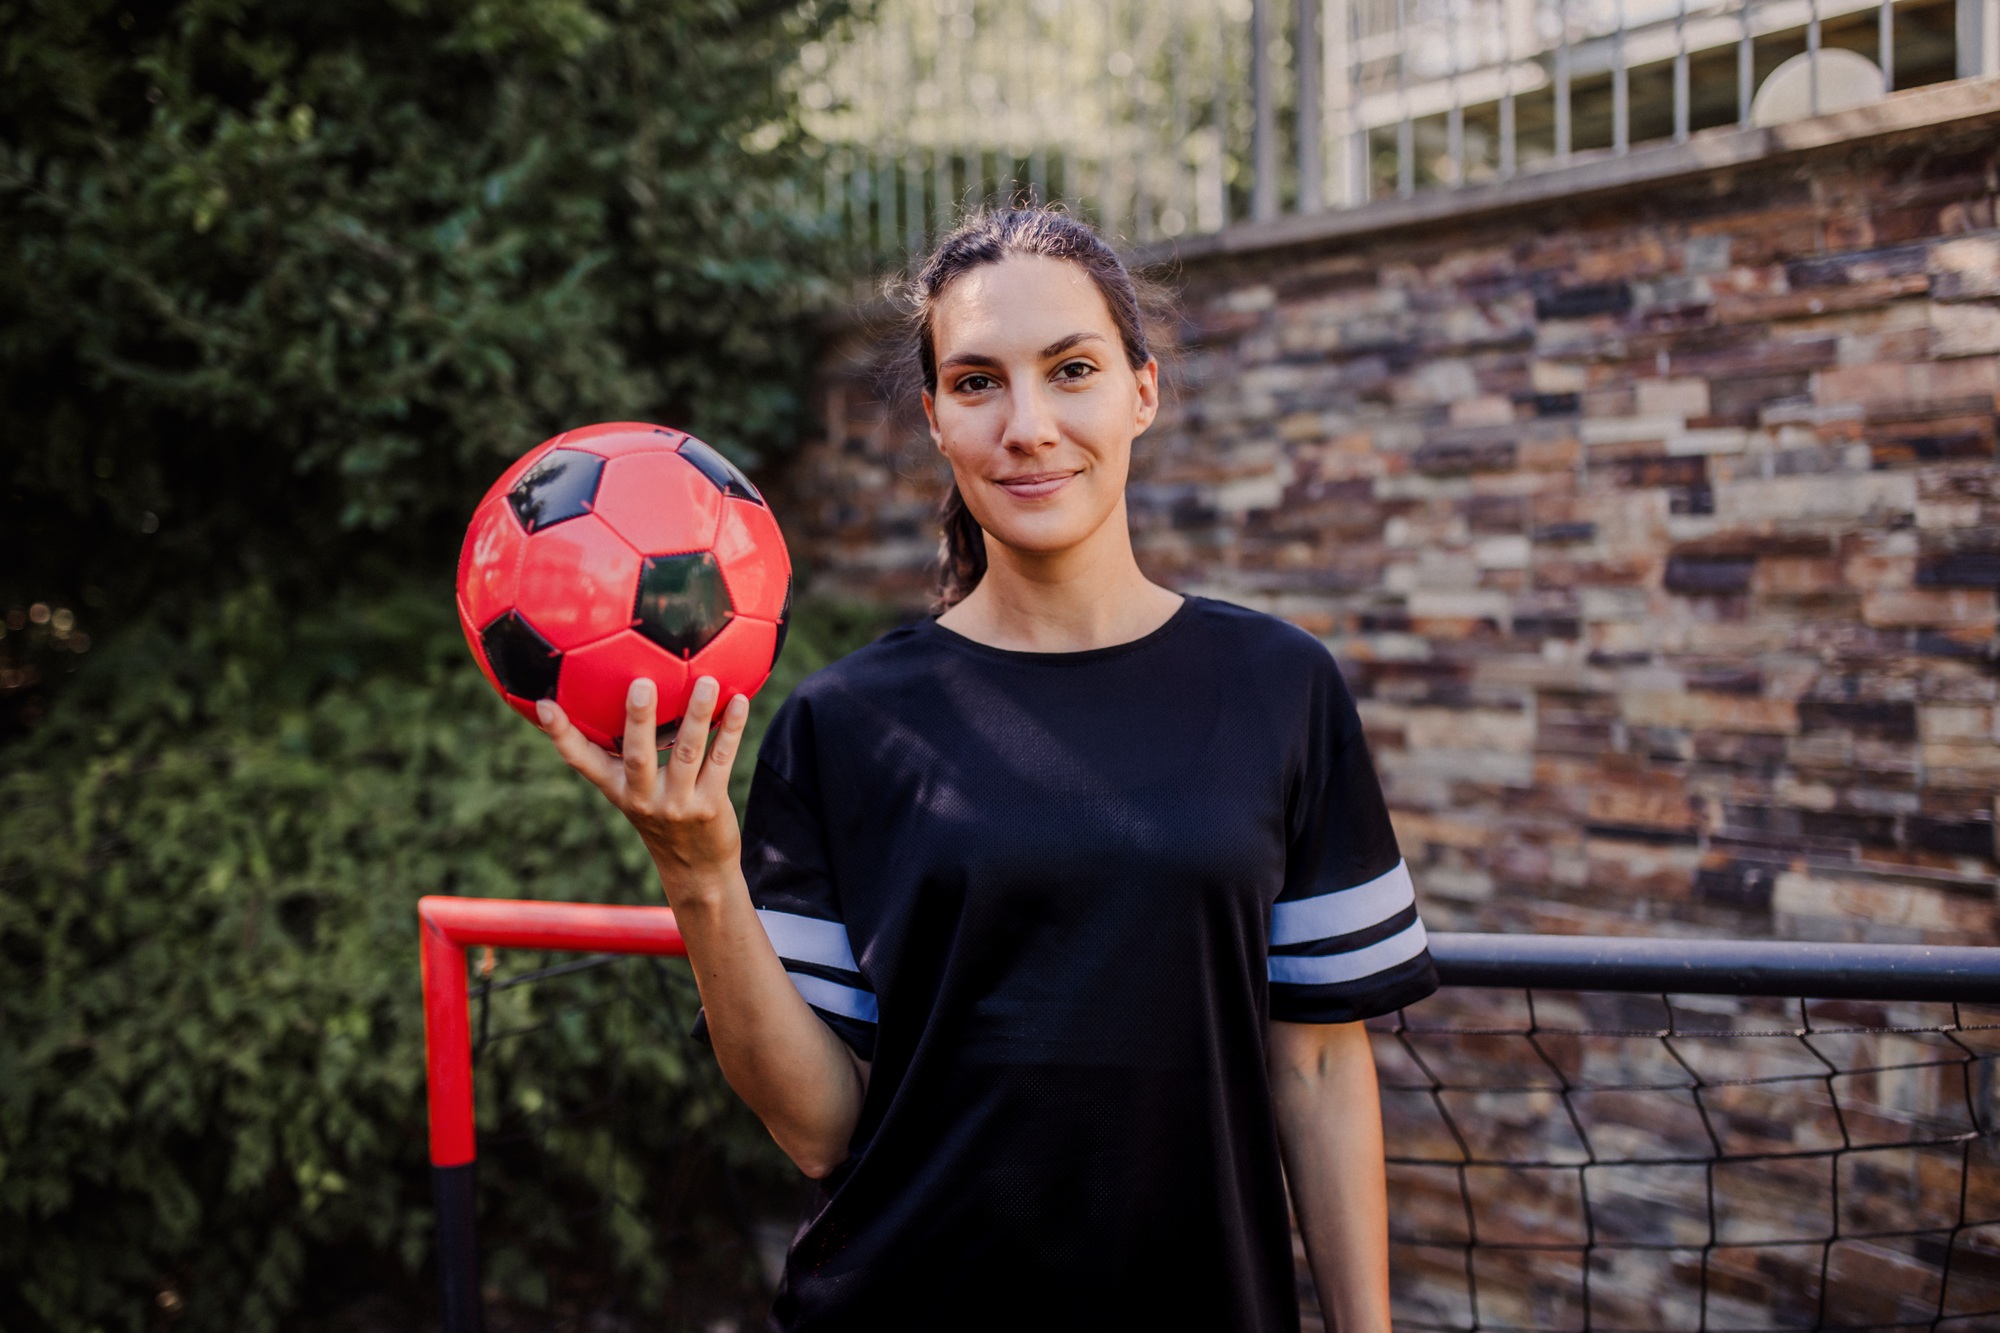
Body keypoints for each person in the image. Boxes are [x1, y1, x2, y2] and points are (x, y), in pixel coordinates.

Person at [534, 207, 1437, 1332]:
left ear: (1140, 392)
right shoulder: (843, 722)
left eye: (1071, 370)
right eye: (975, 384)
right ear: (934, 419)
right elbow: (819, 1127)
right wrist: (700, 870)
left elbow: (1314, 1070)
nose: (1027, 426)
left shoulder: (1280, 686)